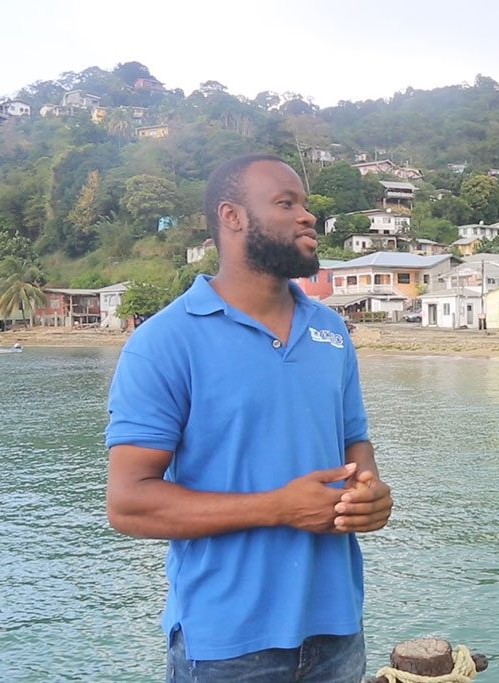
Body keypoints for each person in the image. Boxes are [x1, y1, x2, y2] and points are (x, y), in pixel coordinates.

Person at [105, 153, 393, 682]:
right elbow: (129, 504)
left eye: (305, 204)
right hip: (228, 646)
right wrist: (277, 508)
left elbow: (354, 443)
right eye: (286, 204)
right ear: (232, 217)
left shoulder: (331, 331)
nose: (308, 217)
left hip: (338, 632)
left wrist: (371, 496)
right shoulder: (165, 342)